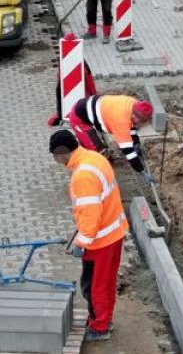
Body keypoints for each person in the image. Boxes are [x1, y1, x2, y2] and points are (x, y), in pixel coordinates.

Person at [49, 130, 127, 342]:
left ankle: (99, 327)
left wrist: (82, 242)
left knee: (94, 286)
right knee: (106, 282)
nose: (56, 162)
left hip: (99, 241)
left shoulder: (82, 175)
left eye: (55, 157)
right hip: (114, 233)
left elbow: (90, 213)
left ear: (61, 153)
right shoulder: (94, 158)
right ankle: (103, 319)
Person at [68, 94, 155, 182]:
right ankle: (88, 175)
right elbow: (128, 151)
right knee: (98, 154)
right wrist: (142, 171)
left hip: (88, 106)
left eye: (141, 120)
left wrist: (135, 143)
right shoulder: (121, 121)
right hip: (79, 118)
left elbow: (131, 127)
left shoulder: (134, 104)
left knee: (105, 156)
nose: (136, 120)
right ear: (133, 113)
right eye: (137, 118)